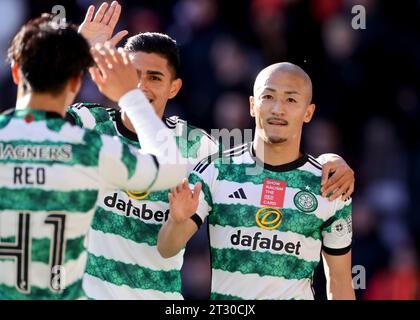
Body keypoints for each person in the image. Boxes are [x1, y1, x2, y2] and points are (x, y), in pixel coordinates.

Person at [68, 2, 355, 300]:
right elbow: (35, 115)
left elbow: (262, 157)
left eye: (154, 77)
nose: (141, 86)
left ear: (174, 88)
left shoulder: (197, 146)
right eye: (134, 75)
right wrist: (73, 53)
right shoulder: (89, 123)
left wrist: (328, 160)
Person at [0, 14, 186, 299]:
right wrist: (129, 96)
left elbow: (29, 123)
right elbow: (171, 168)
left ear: (15, 72)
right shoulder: (92, 149)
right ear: (78, 81)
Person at [158, 62, 356, 300]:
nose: (278, 109)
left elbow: (340, 282)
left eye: (291, 100)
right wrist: (177, 221)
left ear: (308, 112)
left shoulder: (329, 185)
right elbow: (167, 248)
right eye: (268, 96)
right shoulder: (215, 171)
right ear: (253, 105)